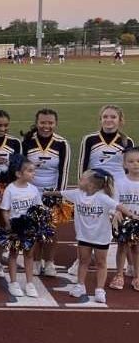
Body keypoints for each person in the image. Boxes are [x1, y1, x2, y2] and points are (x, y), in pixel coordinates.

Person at [46, 170, 138, 303]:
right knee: (83, 261)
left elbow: (118, 206)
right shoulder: (77, 194)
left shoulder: (102, 197)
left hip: (101, 237)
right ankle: (80, 285)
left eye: (82, 179)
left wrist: (132, 215)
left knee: (101, 263)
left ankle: (99, 289)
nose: (79, 181)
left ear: (91, 185)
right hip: (84, 236)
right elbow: (59, 193)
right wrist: (43, 193)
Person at [21, 108, 70, 277]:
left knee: (51, 230)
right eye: (42, 122)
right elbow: (21, 168)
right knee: (33, 229)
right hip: (31, 192)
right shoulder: (27, 141)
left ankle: (49, 262)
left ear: (55, 124)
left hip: (52, 193)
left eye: (50, 123)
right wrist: (25, 191)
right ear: (36, 123)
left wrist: (58, 195)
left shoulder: (62, 143)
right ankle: (35, 261)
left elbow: (64, 170)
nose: (46, 126)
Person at [0, 159, 43, 298]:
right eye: (30, 171)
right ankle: (13, 282)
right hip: (15, 228)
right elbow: (5, 209)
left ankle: (29, 283)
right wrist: (9, 225)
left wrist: (37, 223)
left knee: (29, 254)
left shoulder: (34, 189)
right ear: (19, 173)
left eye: (33, 171)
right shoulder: (10, 189)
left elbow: (38, 208)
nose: (33, 174)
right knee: (13, 254)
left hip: (30, 228)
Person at [112, 148, 139, 291]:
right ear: (124, 164)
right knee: (122, 248)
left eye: (138, 161)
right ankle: (119, 275)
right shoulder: (119, 182)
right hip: (124, 222)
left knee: (136, 249)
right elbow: (116, 202)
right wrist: (121, 214)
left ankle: (137, 276)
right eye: (131, 161)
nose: (136, 164)